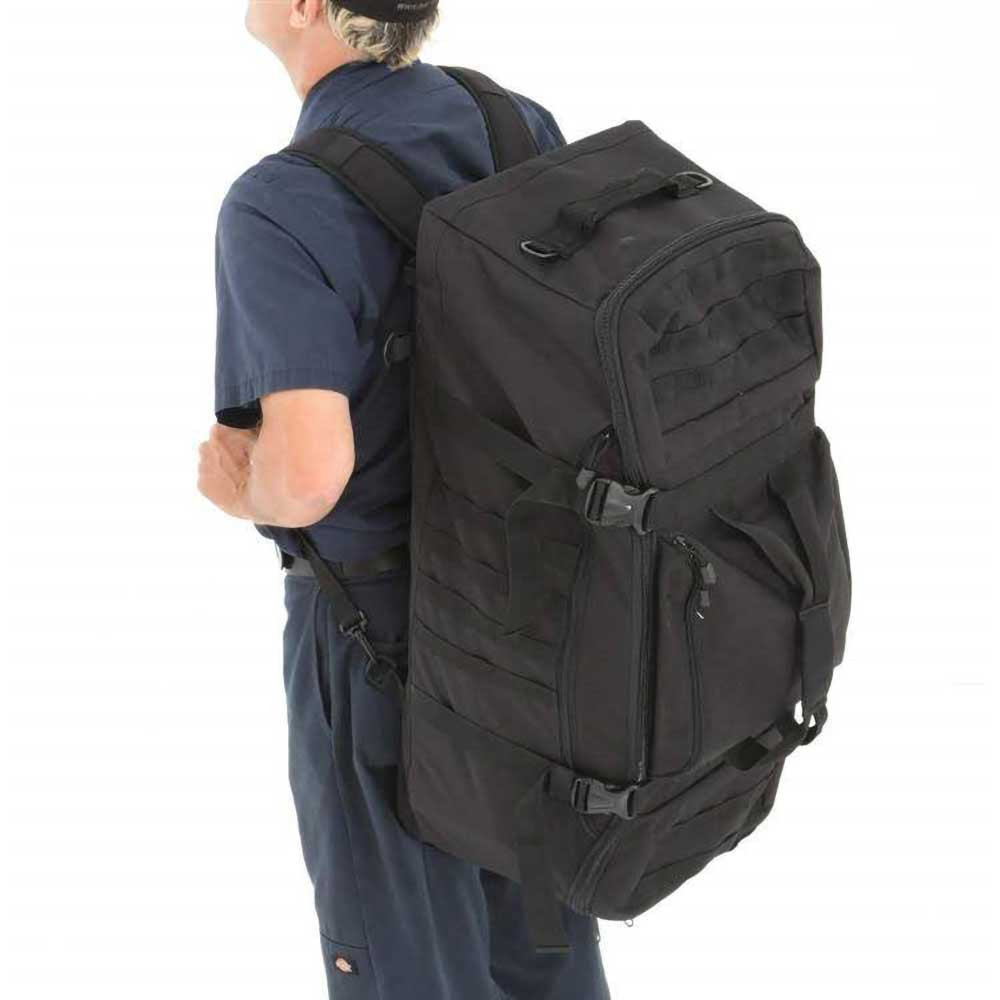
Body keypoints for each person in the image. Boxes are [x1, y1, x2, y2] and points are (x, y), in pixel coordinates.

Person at [197, 2, 612, 997]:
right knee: (543, 947)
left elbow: (308, 478)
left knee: (403, 962)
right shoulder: (515, 122)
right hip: (531, 615)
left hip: (376, 636)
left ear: (308, 7)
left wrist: (238, 487)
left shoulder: (280, 201)